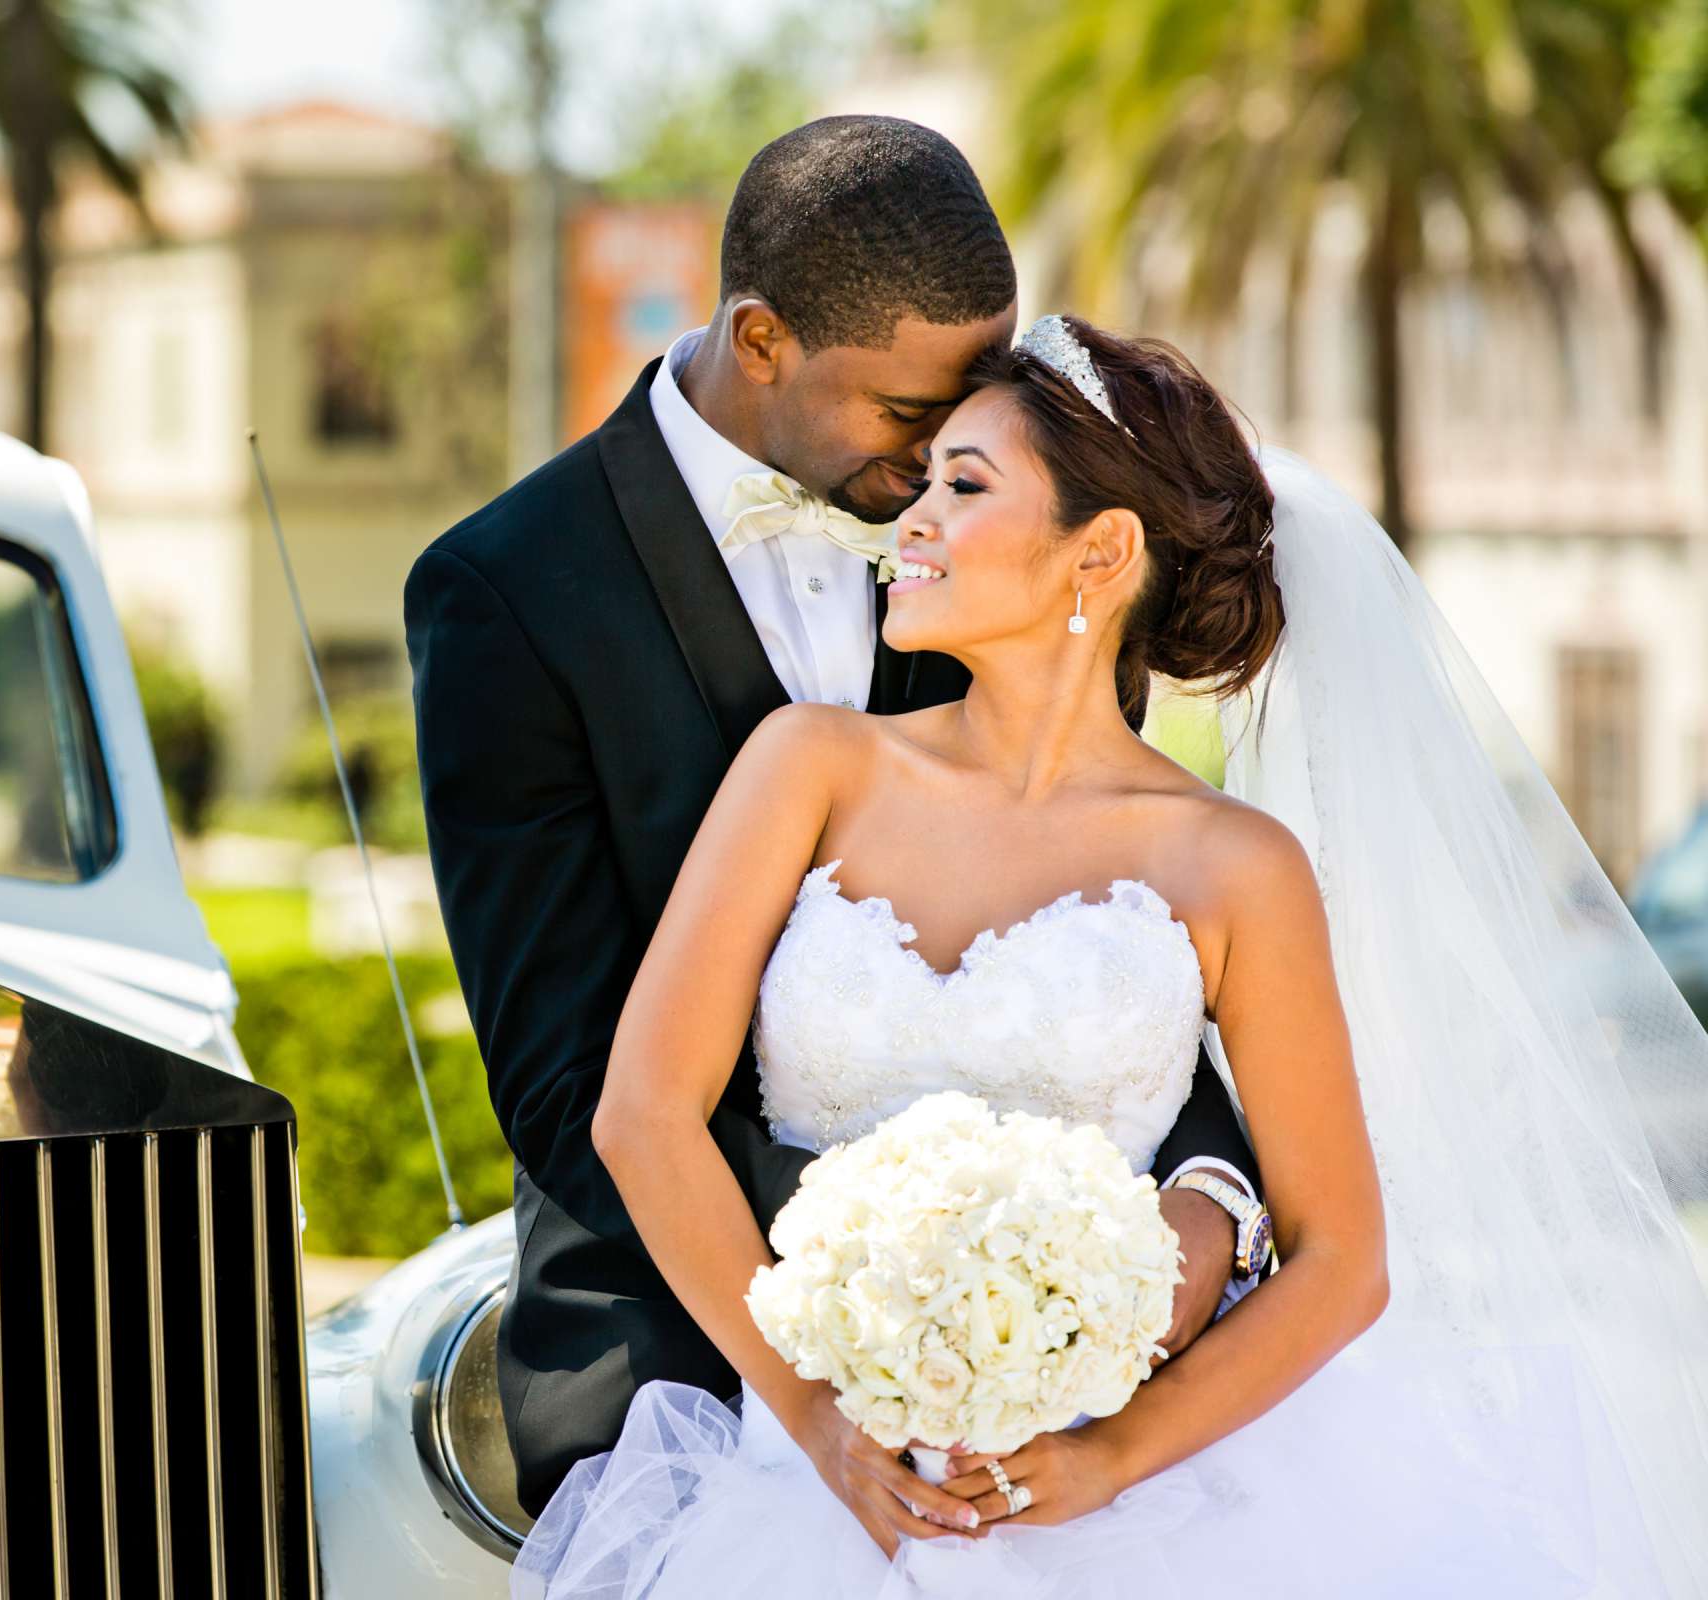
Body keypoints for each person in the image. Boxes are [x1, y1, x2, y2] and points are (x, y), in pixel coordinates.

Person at [508, 315, 1708, 1596]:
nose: (907, 522)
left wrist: (1116, 1457)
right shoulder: (810, 766)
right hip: (809, 1501)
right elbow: (643, 1113)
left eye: (962, 485)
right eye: (920, 483)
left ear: (1103, 553)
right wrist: (818, 1422)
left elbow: (1342, 1258)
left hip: (1154, 1519)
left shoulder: (1231, 864)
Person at [404, 116, 1267, 1525]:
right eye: (912, 423)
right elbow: (569, 1095)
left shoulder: (1013, 543)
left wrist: (1195, 1201)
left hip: (1066, 1365)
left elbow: (1131, 945)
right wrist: (929, 1275)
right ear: (761, 342)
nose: (948, 465)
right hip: (674, 1366)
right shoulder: (503, 594)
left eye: (977, 411)